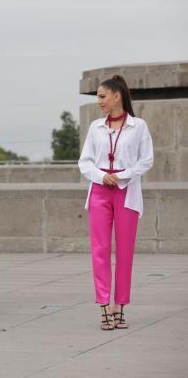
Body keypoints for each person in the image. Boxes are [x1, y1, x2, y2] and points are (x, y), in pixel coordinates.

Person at [78, 75, 153, 330]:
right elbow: (85, 162)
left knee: (125, 251)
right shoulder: (95, 127)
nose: (99, 101)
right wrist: (102, 176)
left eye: (103, 96)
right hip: (99, 191)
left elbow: (146, 160)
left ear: (117, 96)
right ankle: (103, 305)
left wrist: (122, 176)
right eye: (98, 97)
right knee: (99, 250)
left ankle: (119, 305)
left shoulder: (138, 126)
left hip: (126, 191)